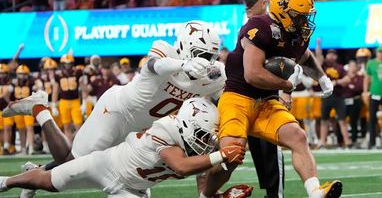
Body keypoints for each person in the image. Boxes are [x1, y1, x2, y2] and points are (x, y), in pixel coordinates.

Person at [3, 21, 227, 197]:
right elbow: (152, 65)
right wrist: (182, 64)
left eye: (211, 57)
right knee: (69, 162)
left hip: (142, 129)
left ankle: (36, 171)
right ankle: (39, 108)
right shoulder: (165, 50)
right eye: (202, 55)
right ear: (184, 46)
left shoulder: (215, 75)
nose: (207, 61)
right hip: (117, 112)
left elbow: (221, 106)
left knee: (94, 171)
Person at [200, 0, 342, 198]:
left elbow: (304, 56)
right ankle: (206, 196)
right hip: (238, 98)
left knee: (298, 136)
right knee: (231, 155)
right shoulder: (259, 26)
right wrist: (287, 86)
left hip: (266, 100)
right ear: (283, 12)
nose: (304, 22)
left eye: (306, 16)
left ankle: (314, 192)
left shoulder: (295, 33)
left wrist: (321, 78)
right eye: (299, 16)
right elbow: (252, 74)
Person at [0, 96, 249, 198]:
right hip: (105, 166)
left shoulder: (200, 144)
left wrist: (218, 194)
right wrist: (220, 155)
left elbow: (202, 184)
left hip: (134, 190)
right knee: (48, 182)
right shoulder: (166, 129)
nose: (206, 141)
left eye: (208, 137)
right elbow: (181, 167)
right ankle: (7, 181)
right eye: (203, 135)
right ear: (188, 124)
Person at [242, 0, 285, 198]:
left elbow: (286, 61)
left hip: (268, 94)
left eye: (252, 2)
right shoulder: (249, 23)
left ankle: (275, 194)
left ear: (264, 2)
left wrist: (286, 91)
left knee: (271, 146)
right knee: (257, 150)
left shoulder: (273, 25)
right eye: (246, 2)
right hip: (246, 96)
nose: (247, 6)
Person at [318, 48, 352, 149]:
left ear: (336, 56)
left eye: (333, 54)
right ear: (326, 56)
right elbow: (318, 58)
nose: (331, 56)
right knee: (324, 120)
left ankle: (347, 142)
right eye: (329, 54)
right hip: (326, 96)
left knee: (342, 120)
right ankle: (322, 142)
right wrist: (318, 45)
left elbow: (347, 79)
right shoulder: (323, 66)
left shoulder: (340, 67)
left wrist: (336, 82)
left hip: (338, 97)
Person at [55, 54, 83, 142]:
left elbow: (82, 87)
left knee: (78, 125)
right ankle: (69, 145)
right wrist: (53, 104)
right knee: (66, 125)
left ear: (72, 64)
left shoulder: (77, 72)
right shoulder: (58, 75)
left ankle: (79, 145)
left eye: (69, 63)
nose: (67, 66)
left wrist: (84, 101)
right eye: (65, 64)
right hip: (63, 101)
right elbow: (56, 90)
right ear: (62, 64)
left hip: (75, 101)